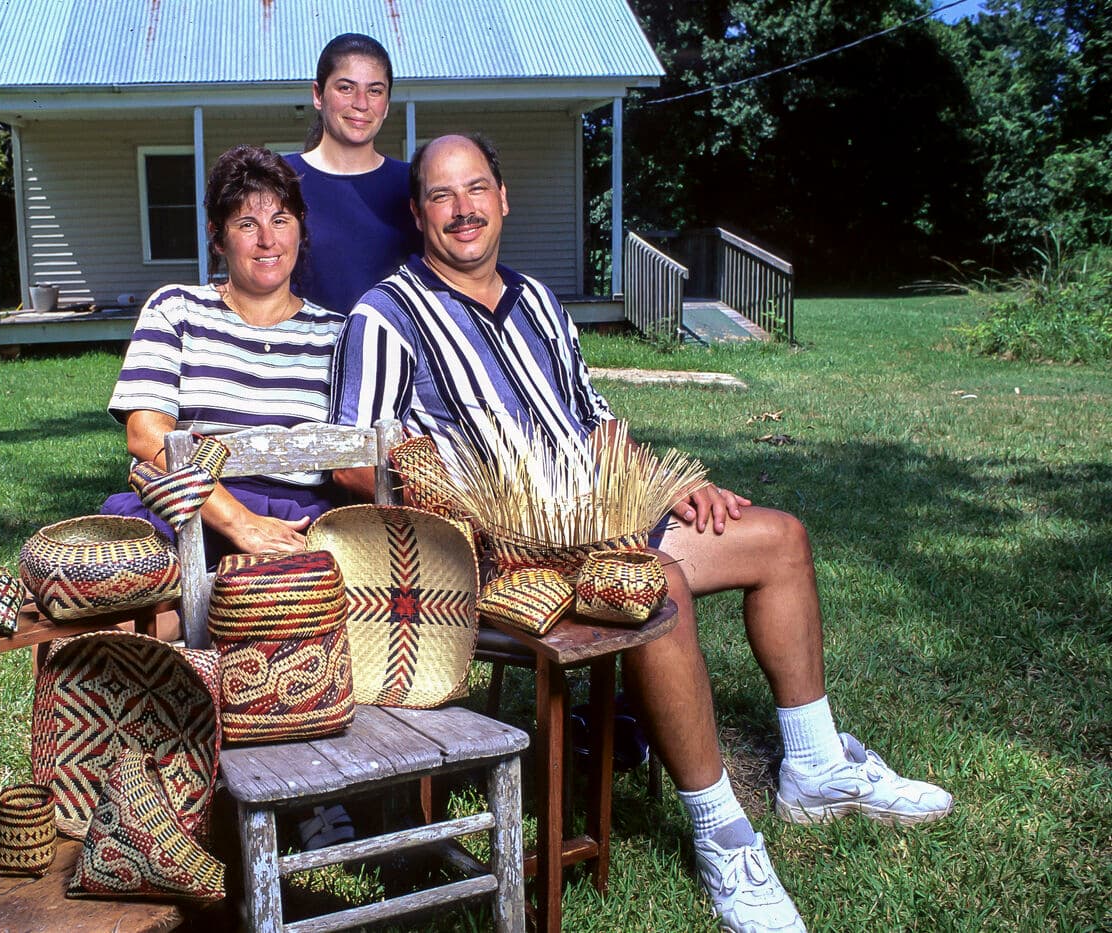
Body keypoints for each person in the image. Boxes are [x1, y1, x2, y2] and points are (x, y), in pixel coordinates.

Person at [329, 134, 954, 933]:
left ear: (503, 197)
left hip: (600, 520)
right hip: (496, 554)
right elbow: (356, 459)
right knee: (659, 584)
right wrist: (452, 494)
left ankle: (817, 765)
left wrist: (669, 479)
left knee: (779, 538)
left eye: (476, 188)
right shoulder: (385, 314)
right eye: (443, 196)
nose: (463, 209)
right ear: (418, 212)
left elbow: (594, 427)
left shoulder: (540, 303)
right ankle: (722, 830)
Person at [102, 145, 346, 563]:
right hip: (190, 508)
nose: (267, 239)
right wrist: (240, 523)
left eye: (280, 220)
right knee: (151, 610)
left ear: (300, 229)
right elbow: (145, 436)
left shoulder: (338, 334)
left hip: (301, 522)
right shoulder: (175, 310)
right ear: (218, 237)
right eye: (247, 224)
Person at [284, 33, 421, 314]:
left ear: (387, 103)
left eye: (375, 91)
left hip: (393, 353)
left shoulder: (413, 185)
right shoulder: (281, 180)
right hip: (300, 354)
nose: (361, 103)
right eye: (346, 88)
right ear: (318, 95)